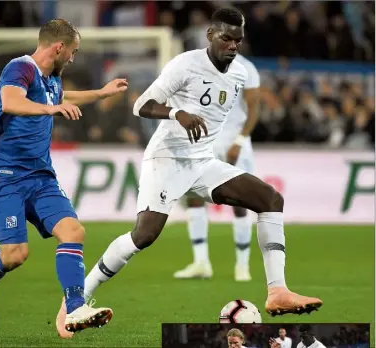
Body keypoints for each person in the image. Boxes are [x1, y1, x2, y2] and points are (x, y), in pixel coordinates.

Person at [55, 7, 323, 338]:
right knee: (145, 235)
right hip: (167, 158)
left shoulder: (239, 74)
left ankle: (278, 290)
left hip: (202, 161)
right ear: (211, 35)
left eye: (238, 40)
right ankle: (73, 302)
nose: (233, 45)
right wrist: (178, 113)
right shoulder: (186, 64)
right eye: (226, 38)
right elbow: (142, 105)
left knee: (270, 199)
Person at [0, 18, 128, 335]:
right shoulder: (19, 68)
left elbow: (64, 98)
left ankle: (76, 307)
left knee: (73, 231)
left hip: (40, 176)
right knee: (15, 255)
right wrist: (48, 110)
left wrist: (101, 93)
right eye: (73, 52)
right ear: (59, 47)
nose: (73, 58)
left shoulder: (52, 80)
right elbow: (11, 102)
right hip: (5, 177)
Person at [173, 53, 260, 281]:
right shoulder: (198, 65)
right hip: (204, 141)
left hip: (234, 142)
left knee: (239, 201)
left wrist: (240, 140)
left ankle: (242, 267)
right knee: (194, 197)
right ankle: (201, 262)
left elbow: (253, 108)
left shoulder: (246, 67)